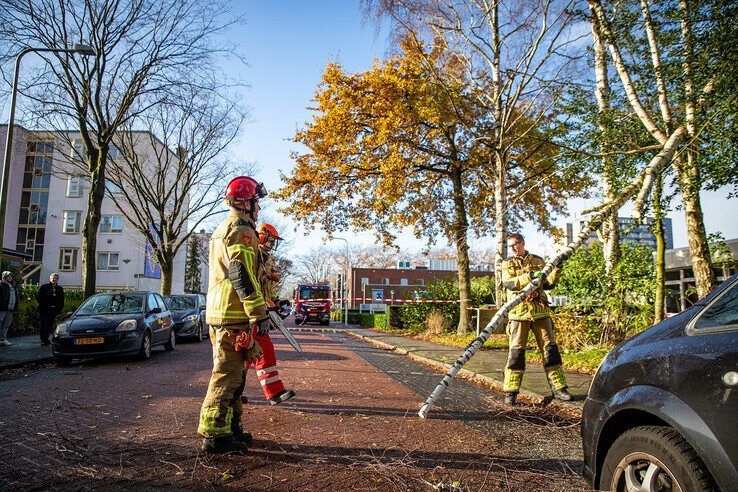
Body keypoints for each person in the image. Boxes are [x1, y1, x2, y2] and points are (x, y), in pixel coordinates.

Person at [198, 176, 270, 454]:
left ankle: (231, 428)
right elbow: (241, 273)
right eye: (256, 202)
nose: (258, 208)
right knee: (227, 376)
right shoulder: (240, 229)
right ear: (245, 202)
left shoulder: (227, 227)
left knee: (237, 375)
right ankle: (214, 435)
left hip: (226, 312)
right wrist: (257, 312)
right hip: (232, 313)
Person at [500, 233, 572, 406]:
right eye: (510, 246)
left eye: (515, 245)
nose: (512, 249)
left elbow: (548, 284)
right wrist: (530, 276)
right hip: (518, 314)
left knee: (550, 350)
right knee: (517, 353)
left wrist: (556, 268)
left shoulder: (539, 260)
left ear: (522, 243)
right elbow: (509, 283)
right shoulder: (507, 264)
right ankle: (511, 391)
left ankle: (558, 387)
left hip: (540, 312)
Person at [246, 223, 295, 405]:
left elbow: (264, 289)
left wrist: (275, 302)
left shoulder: (266, 258)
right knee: (247, 353)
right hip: (250, 313)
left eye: (274, 240)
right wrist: (261, 310)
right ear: (261, 236)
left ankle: (273, 391)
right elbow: (251, 285)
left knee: (259, 351)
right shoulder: (252, 253)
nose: (272, 243)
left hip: (259, 311)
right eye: (270, 239)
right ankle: (234, 392)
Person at [37, 273, 65, 345]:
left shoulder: (59, 289)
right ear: (50, 278)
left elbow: (61, 300)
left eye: (55, 278)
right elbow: (39, 298)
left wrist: (59, 309)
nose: (54, 279)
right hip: (45, 309)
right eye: (52, 278)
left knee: (50, 324)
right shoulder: (44, 287)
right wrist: (45, 304)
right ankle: (43, 339)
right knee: (44, 324)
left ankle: (46, 338)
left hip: (53, 310)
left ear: (57, 279)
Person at [0, 271, 19, 346]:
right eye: (8, 276)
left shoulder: (13, 286)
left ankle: (3, 339)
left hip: (10, 308)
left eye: (11, 276)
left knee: (6, 325)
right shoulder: (1, 284)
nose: (10, 277)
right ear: (4, 277)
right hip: (2, 308)